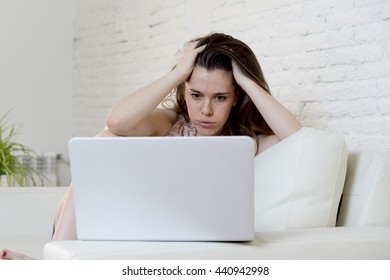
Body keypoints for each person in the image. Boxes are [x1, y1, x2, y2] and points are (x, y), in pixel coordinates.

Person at [1, 32, 301, 260]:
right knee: (105, 141)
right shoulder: (170, 123)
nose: (206, 110)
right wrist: (177, 73)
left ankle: (50, 267)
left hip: (176, 234)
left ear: (235, 97)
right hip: (123, 220)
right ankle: (55, 262)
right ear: (184, 90)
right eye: (196, 94)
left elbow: (298, 138)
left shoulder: (245, 142)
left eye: (220, 97)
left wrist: (246, 81)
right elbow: (116, 121)